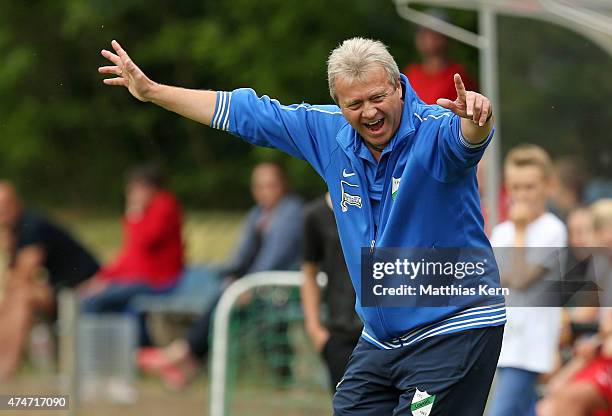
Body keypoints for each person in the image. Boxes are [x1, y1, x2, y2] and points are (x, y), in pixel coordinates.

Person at [99, 37, 505, 414]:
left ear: (399, 87)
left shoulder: (436, 128)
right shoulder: (327, 130)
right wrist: (152, 91)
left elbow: (468, 138)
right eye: (355, 104)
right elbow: (246, 114)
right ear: (338, 104)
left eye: (378, 97)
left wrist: (478, 120)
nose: (369, 112)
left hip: (453, 329)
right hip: (382, 339)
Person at [137, 162, 303, 389]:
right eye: (259, 186)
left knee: (226, 301)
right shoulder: (257, 215)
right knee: (225, 297)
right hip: (251, 287)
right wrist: (232, 278)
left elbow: (274, 259)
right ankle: (188, 362)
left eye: (270, 185)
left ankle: (183, 354)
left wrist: (245, 285)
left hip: (278, 291)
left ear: (284, 186)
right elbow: (240, 258)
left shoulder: (291, 213)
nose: (264, 191)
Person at [487, 145, 567, 416]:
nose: (521, 195)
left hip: (530, 348)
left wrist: (520, 231)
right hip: (505, 343)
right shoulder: (501, 232)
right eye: (515, 187)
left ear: (547, 185)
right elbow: (493, 280)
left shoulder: (552, 230)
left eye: (529, 187)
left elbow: (519, 279)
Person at [0, 181, 99, 379]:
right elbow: (16, 276)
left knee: (23, 298)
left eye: (5, 205)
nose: (2, 212)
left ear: (16, 203)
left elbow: (23, 274)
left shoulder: (32, 224)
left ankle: (7, 367)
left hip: (87, 287)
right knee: (15, 298)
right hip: (63, 288)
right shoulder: (18, 230)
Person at [537, 199, 612, 416]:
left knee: (569, 398)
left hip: (602, 359)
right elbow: (583, 316)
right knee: (547, 405)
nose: (587, 239)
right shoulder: (601, 266)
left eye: (594, 230)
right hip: (598, 357)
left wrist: (595, 341)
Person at [79, 164, 184, 318]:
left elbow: (146, 242)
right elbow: (130, 254)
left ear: (148, 187)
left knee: (96, 302)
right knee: (85, 295)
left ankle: (96, 341)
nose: (130, 196)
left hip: (158, 281)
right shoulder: (146, 213)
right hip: (141, 280)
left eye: (133, 189)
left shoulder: (164, 204)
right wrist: (103, 277)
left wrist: (135, 214)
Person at [301, 193, 362, 393]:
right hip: (341, 333)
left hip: (385, 333)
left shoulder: (386, 204)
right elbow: (309, 274)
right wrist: (314, 329)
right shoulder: (316, 215)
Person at [403, 10, 477, 105]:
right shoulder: (411, 73)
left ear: (446, 38)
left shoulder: (458, 74)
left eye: (434, 33)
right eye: (424, 32)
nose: (428, 38)